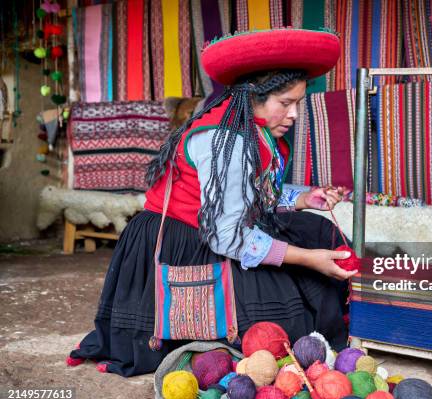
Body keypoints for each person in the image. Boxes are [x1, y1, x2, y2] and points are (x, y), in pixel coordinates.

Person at [67, 28, 356, 377]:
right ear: (252, 98)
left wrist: (302, 198)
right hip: (183, 240)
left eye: (298, 103)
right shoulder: (227, 142)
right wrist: (310, 260)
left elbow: (249, 194)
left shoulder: (257, 131)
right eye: (285, 103)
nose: (294, 114)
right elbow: (229, 238)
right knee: (280, 329)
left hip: (213, 228)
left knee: (316, 230)